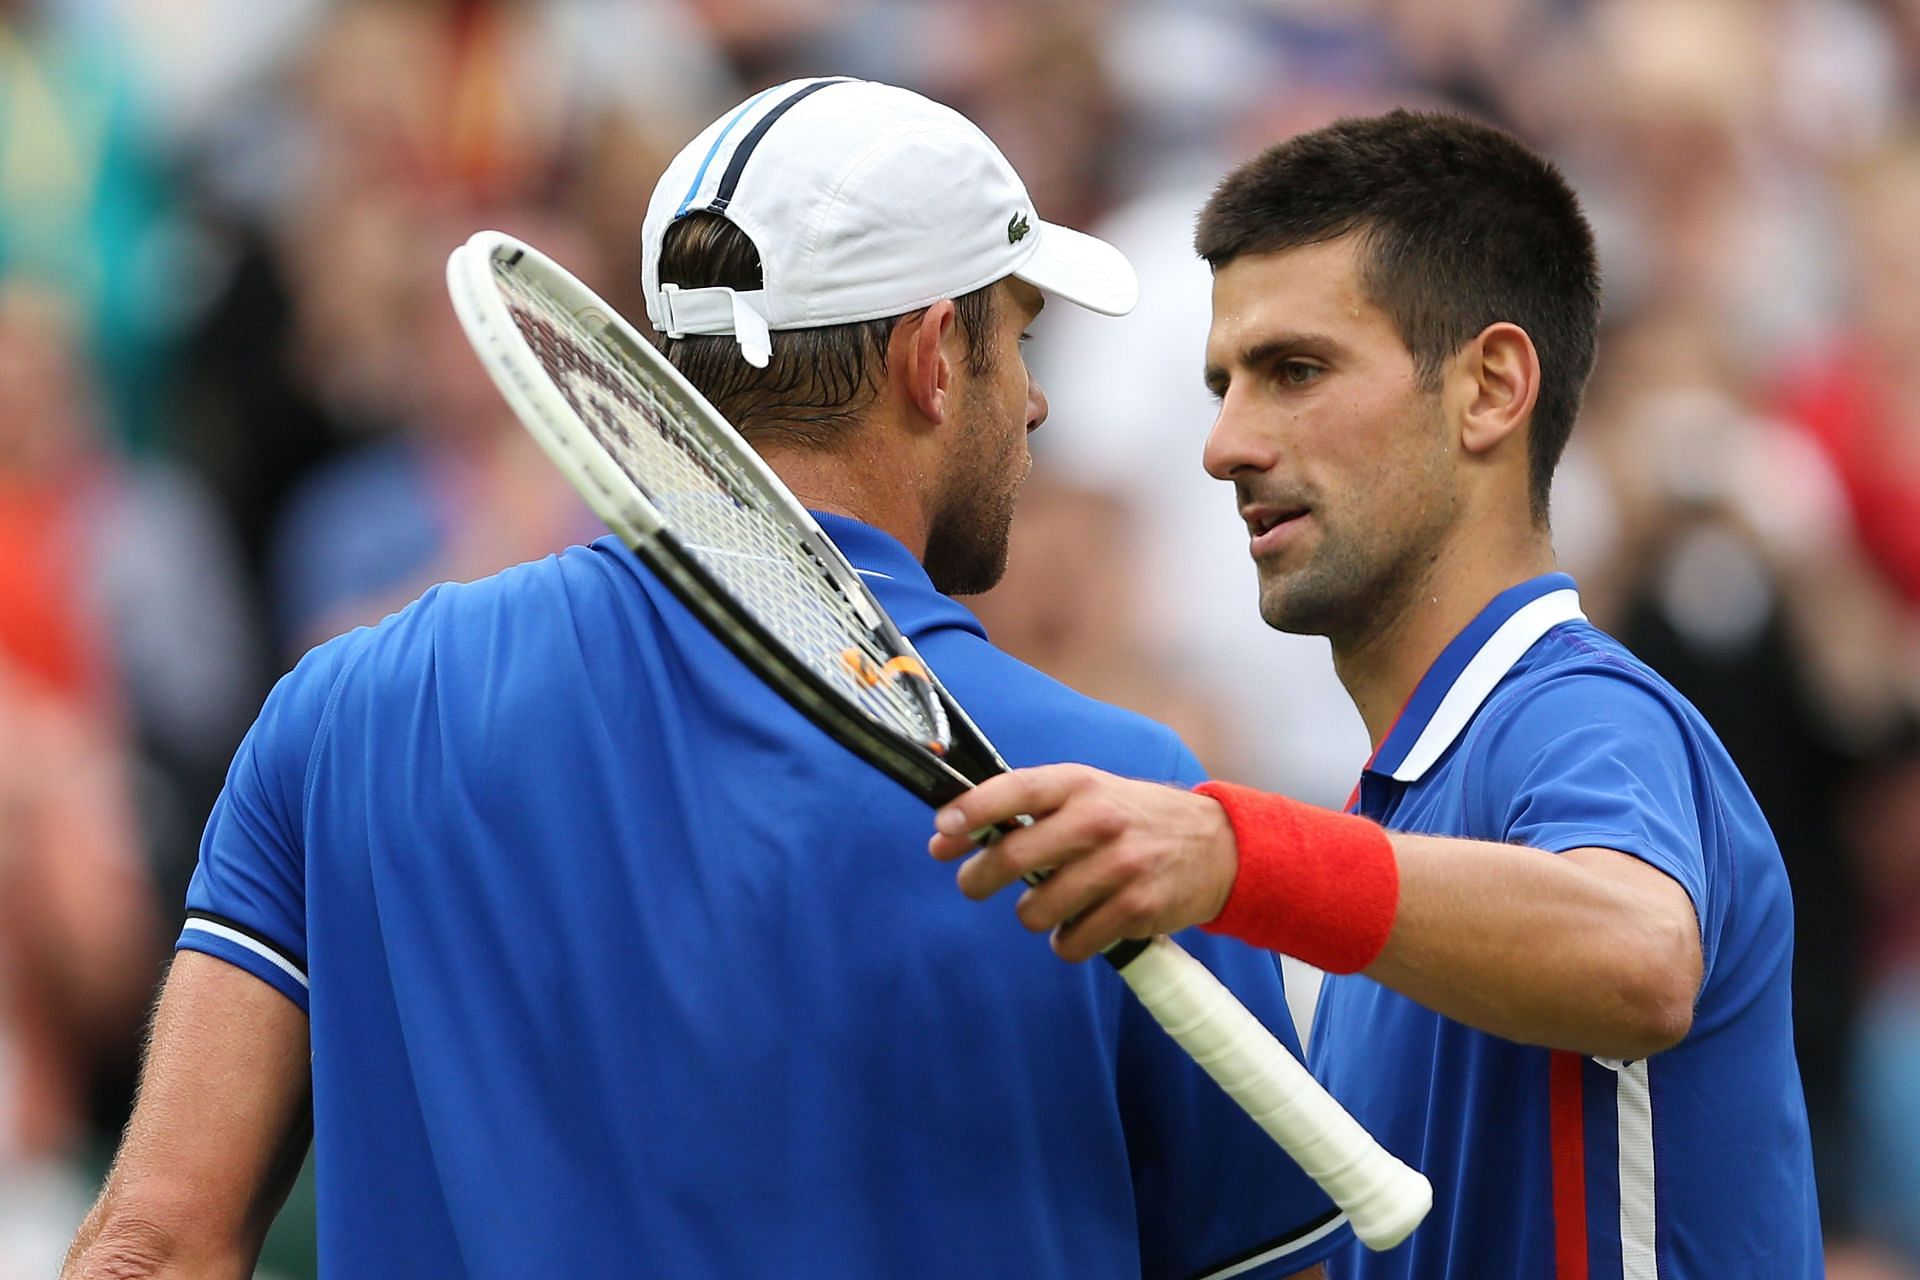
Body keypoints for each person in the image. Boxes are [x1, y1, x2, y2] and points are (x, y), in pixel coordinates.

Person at [63, 80, 1350, 1279]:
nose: (1035, 406)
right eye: (1020, 340)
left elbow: (156, 1244)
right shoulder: (1135, 807)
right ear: (934, 356)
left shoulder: (343, 712)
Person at [928, 109, 1822, 1278]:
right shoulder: (1394, 844)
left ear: (1492, 388)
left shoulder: (1581, 712)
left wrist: (1231, 851)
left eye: (1296, 371)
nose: (1226, 445)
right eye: (1222, 385)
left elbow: (1640, 954)